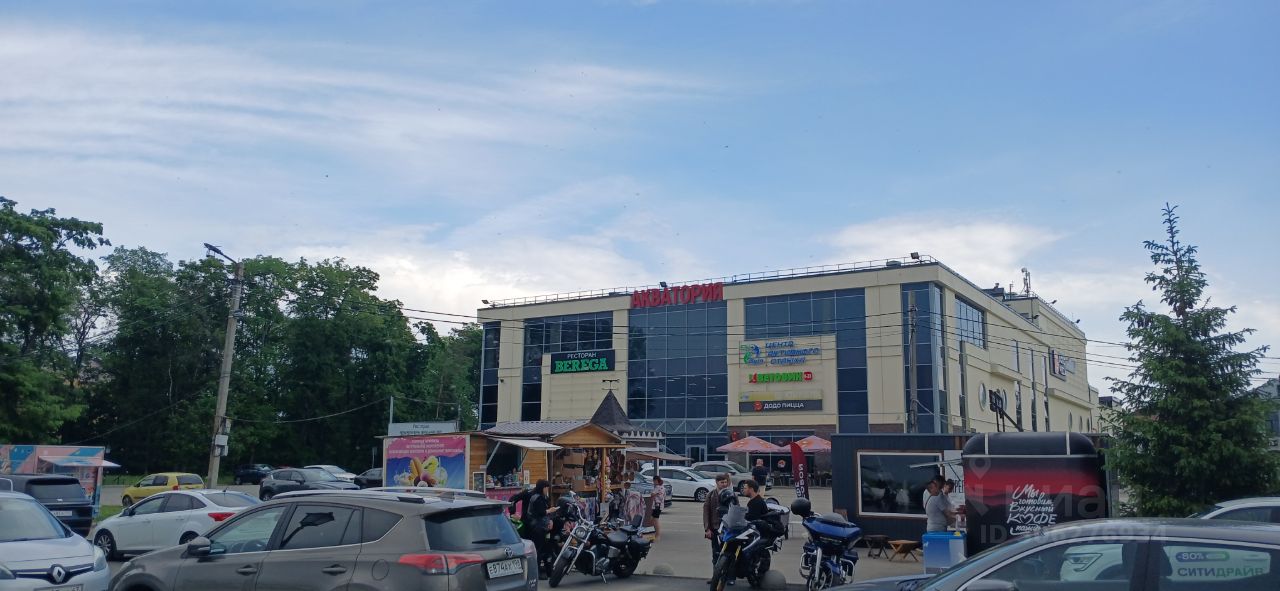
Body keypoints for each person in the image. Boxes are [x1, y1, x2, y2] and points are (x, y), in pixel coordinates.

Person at [703, 473, 738, 581]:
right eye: (722, 482)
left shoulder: (732, 494)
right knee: (716, 554)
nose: (724, 484)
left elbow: (737, 510)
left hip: (729, 529)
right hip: (715, 528)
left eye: (725, 482)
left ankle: (730, 577)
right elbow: (706, 512)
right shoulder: (711, 495)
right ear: (716, 482)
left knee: (730, 553)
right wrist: (707, 529)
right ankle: (716, 577)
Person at [527, 480, 551, 577]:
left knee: (545, 549)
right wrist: (550, 510)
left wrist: (550, 520)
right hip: (537, 527)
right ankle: (536, 572)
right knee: (538, 550)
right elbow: (540, 512)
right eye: (546, 488)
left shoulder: (543, 497)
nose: (547, 490)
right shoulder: (537, 498)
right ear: (542, 488)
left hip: (543, 526)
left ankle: (548, 571)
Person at [650, 476, 665, 541]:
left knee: (655, 520)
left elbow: (652, 494)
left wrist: (654, 495)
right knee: (652, 520)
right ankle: (654, 534)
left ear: (656, 481)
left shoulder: (658, 487)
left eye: (654, 481)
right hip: (659, 505)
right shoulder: (662, 487)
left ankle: (657, 535)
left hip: (657, 505)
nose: (653, 482)